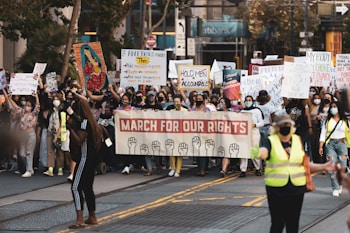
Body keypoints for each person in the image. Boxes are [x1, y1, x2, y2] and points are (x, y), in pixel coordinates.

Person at [251, 112, 334, 233]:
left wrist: (323, 167)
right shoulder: (271, 141)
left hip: (296, 187)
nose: (286, 127)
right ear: (276, 127)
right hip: (276, 189)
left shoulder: (297, 140)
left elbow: (305, 164)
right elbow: (264, 152)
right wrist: (258, 152)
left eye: (288, 124)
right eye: (282, 125)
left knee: (293, 223)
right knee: (277, 223)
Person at [67, 91, 103, 229]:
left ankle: (80, 218)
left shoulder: (84, 122)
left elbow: (79, 140)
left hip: (84, 158)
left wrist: (70, 129)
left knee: (76, 187)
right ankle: (92, 216)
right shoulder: (90, 121)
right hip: (91, 159)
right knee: (87, 188)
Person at [3, 89, 40, 178]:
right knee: (22, 152)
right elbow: (16, 107)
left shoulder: (33, 114)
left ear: (31, 107)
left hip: (30, 133)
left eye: (28, 106)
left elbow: (38, 107)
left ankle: (29, 169)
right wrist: (10, 99)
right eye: (26, 105)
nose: (26, 107)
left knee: (29, 152)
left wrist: (36, 97)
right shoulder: (22, 112)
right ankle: (29, 168)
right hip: (22, 134)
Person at [319, 101, 350, 197]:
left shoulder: (345, 121)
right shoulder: (327, 121)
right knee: (332, 166)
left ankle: (340, 182)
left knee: (343, 166)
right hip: (330, 145)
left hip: (342, 144)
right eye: (331, 107)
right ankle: (335, 187)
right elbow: (323, 134)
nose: (333, 108)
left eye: (335, 106)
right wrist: (321, 146)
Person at [238, 95, 264, 177]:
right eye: (246, 100)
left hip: (254, 132)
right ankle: (243, 170)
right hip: (244, 133)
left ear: (252, 101)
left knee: (254, 150)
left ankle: (257, 168)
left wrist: (255, 125)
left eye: (249, 100)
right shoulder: (242, 111)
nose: (248, 101)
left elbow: (262, 122)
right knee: (243, 150)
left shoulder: (257, 111)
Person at [168, 94, 188, 178]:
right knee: (172, 151)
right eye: (175, 102)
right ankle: (172, 167)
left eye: (178, 102)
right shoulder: (171, 111)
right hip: (173, 133)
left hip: (181, 134)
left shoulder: (185, 111)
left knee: (179, 152)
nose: (176, 103)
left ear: (181, 102)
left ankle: (178, 170)